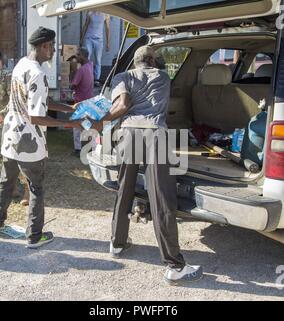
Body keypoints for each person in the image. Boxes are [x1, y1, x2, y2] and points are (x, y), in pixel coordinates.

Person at [89, 46, 203, 285]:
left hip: (128, 133)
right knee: (161, 197)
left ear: (135, 61)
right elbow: (129, 102)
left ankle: (117, 243)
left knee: (124, 190)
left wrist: (100, 119)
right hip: (155, 135)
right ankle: (174, 265)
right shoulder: (163, 76)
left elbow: (122, 105)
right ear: (152, 61)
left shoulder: (123, 77)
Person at [0, 27, 82, 249]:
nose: (53, 51)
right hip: (29, 144)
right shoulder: (38, 74)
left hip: (11, 139)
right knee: (36, 188)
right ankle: (34, 236)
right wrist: (68, 124)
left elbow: (37, 101)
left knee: (6, 180)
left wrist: (69, 108)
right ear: (44, 46)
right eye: (52, 46)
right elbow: (36, 116)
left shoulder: (21, 64)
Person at [0, 49, 30, 206]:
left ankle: (27, 190)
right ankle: (12, 189)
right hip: (1, 124)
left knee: (15, 158)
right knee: (0, 158)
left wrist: (1, 115)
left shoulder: (9, 76)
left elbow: (15, 101)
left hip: (11, 124)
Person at [71, 48, 94, 156]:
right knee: (88, 125)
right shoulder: (90, 66)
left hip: (80, 101)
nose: (76, 57)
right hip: (88, 100)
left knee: (77, 126)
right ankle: (90, 148)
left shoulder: (81, 70)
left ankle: (78, 149)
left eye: (78, 55)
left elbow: (74, 84)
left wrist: (73, 71)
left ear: (83, 56)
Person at [80, 10, 110, 87]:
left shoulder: (106, 13)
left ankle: (96, 80)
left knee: (98, 60)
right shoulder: (90, 12)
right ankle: (87, 78)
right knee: (87, 58)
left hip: (99, 40)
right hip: (88, 38)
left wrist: (108, 43)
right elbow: (85, 25)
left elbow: (107, 28)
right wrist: (81, 39)